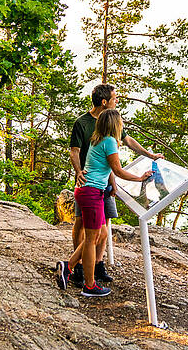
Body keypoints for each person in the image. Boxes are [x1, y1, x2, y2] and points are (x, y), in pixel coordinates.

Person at [66, 83, 162, 287]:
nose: (117, 101)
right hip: (89, 186)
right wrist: (140, 178)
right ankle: (84, 278)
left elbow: (127, 142)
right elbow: (79, 153)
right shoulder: (88, 126)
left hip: (99, 186)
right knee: (86, 229)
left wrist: (150, 155)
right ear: (104, 102)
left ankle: (82, 265)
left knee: (101, 230)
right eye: (115, 98)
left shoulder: (101, 132)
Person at [56, 109, 152, 297]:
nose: (122, 124)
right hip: (91, 193)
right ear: (115, 124)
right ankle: (89, 285)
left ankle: (68, 266)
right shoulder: (108, 141)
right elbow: (118, 170)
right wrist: (140, 178)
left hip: (91, 192)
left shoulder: (97, 138)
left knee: (101, 233)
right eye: (121, 122)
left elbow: (108, 169)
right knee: (92, 239)